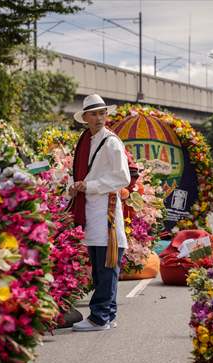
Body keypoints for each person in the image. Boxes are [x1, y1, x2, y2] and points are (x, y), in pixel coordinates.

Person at [69, 94, 131, 332]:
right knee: (100, 267)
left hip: (106, 212)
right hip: (91, 211)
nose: (98, 118)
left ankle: (100, 317)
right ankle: (107, 314)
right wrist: (76, 186)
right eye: (93, 114)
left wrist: (89, 186)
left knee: (106, 266)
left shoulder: (111, 142)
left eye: (102, 113)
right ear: (84, 118)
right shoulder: (87, 140)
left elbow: (123, 178)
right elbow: (81, 174)